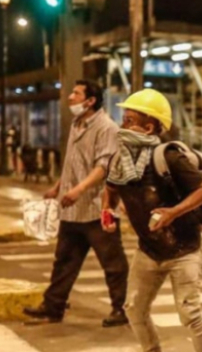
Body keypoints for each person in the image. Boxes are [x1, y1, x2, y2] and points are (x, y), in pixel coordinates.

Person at [102, 88, 202, 352]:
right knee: (134, 308)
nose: (122, 126)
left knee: (189, 311)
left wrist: (173, 212)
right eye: (123, 119)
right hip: (149, 250)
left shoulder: (168, 156)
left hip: (184, 249)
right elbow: (111, 186)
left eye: (129, 120)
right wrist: (107, 209)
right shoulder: (122, 159)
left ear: (149, 127)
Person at [24, 80, 130, 326]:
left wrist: (78, 190)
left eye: (76, 93)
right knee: (64, 261)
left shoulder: (107, 128)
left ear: (90, 100)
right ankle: (53, 307)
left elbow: (103, 167)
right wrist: (59, 187)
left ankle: (121, 309)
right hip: (72, 211)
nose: (70, 97)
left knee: (113, 263)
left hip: (97, 208)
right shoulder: (76, 124)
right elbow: (73, 163)